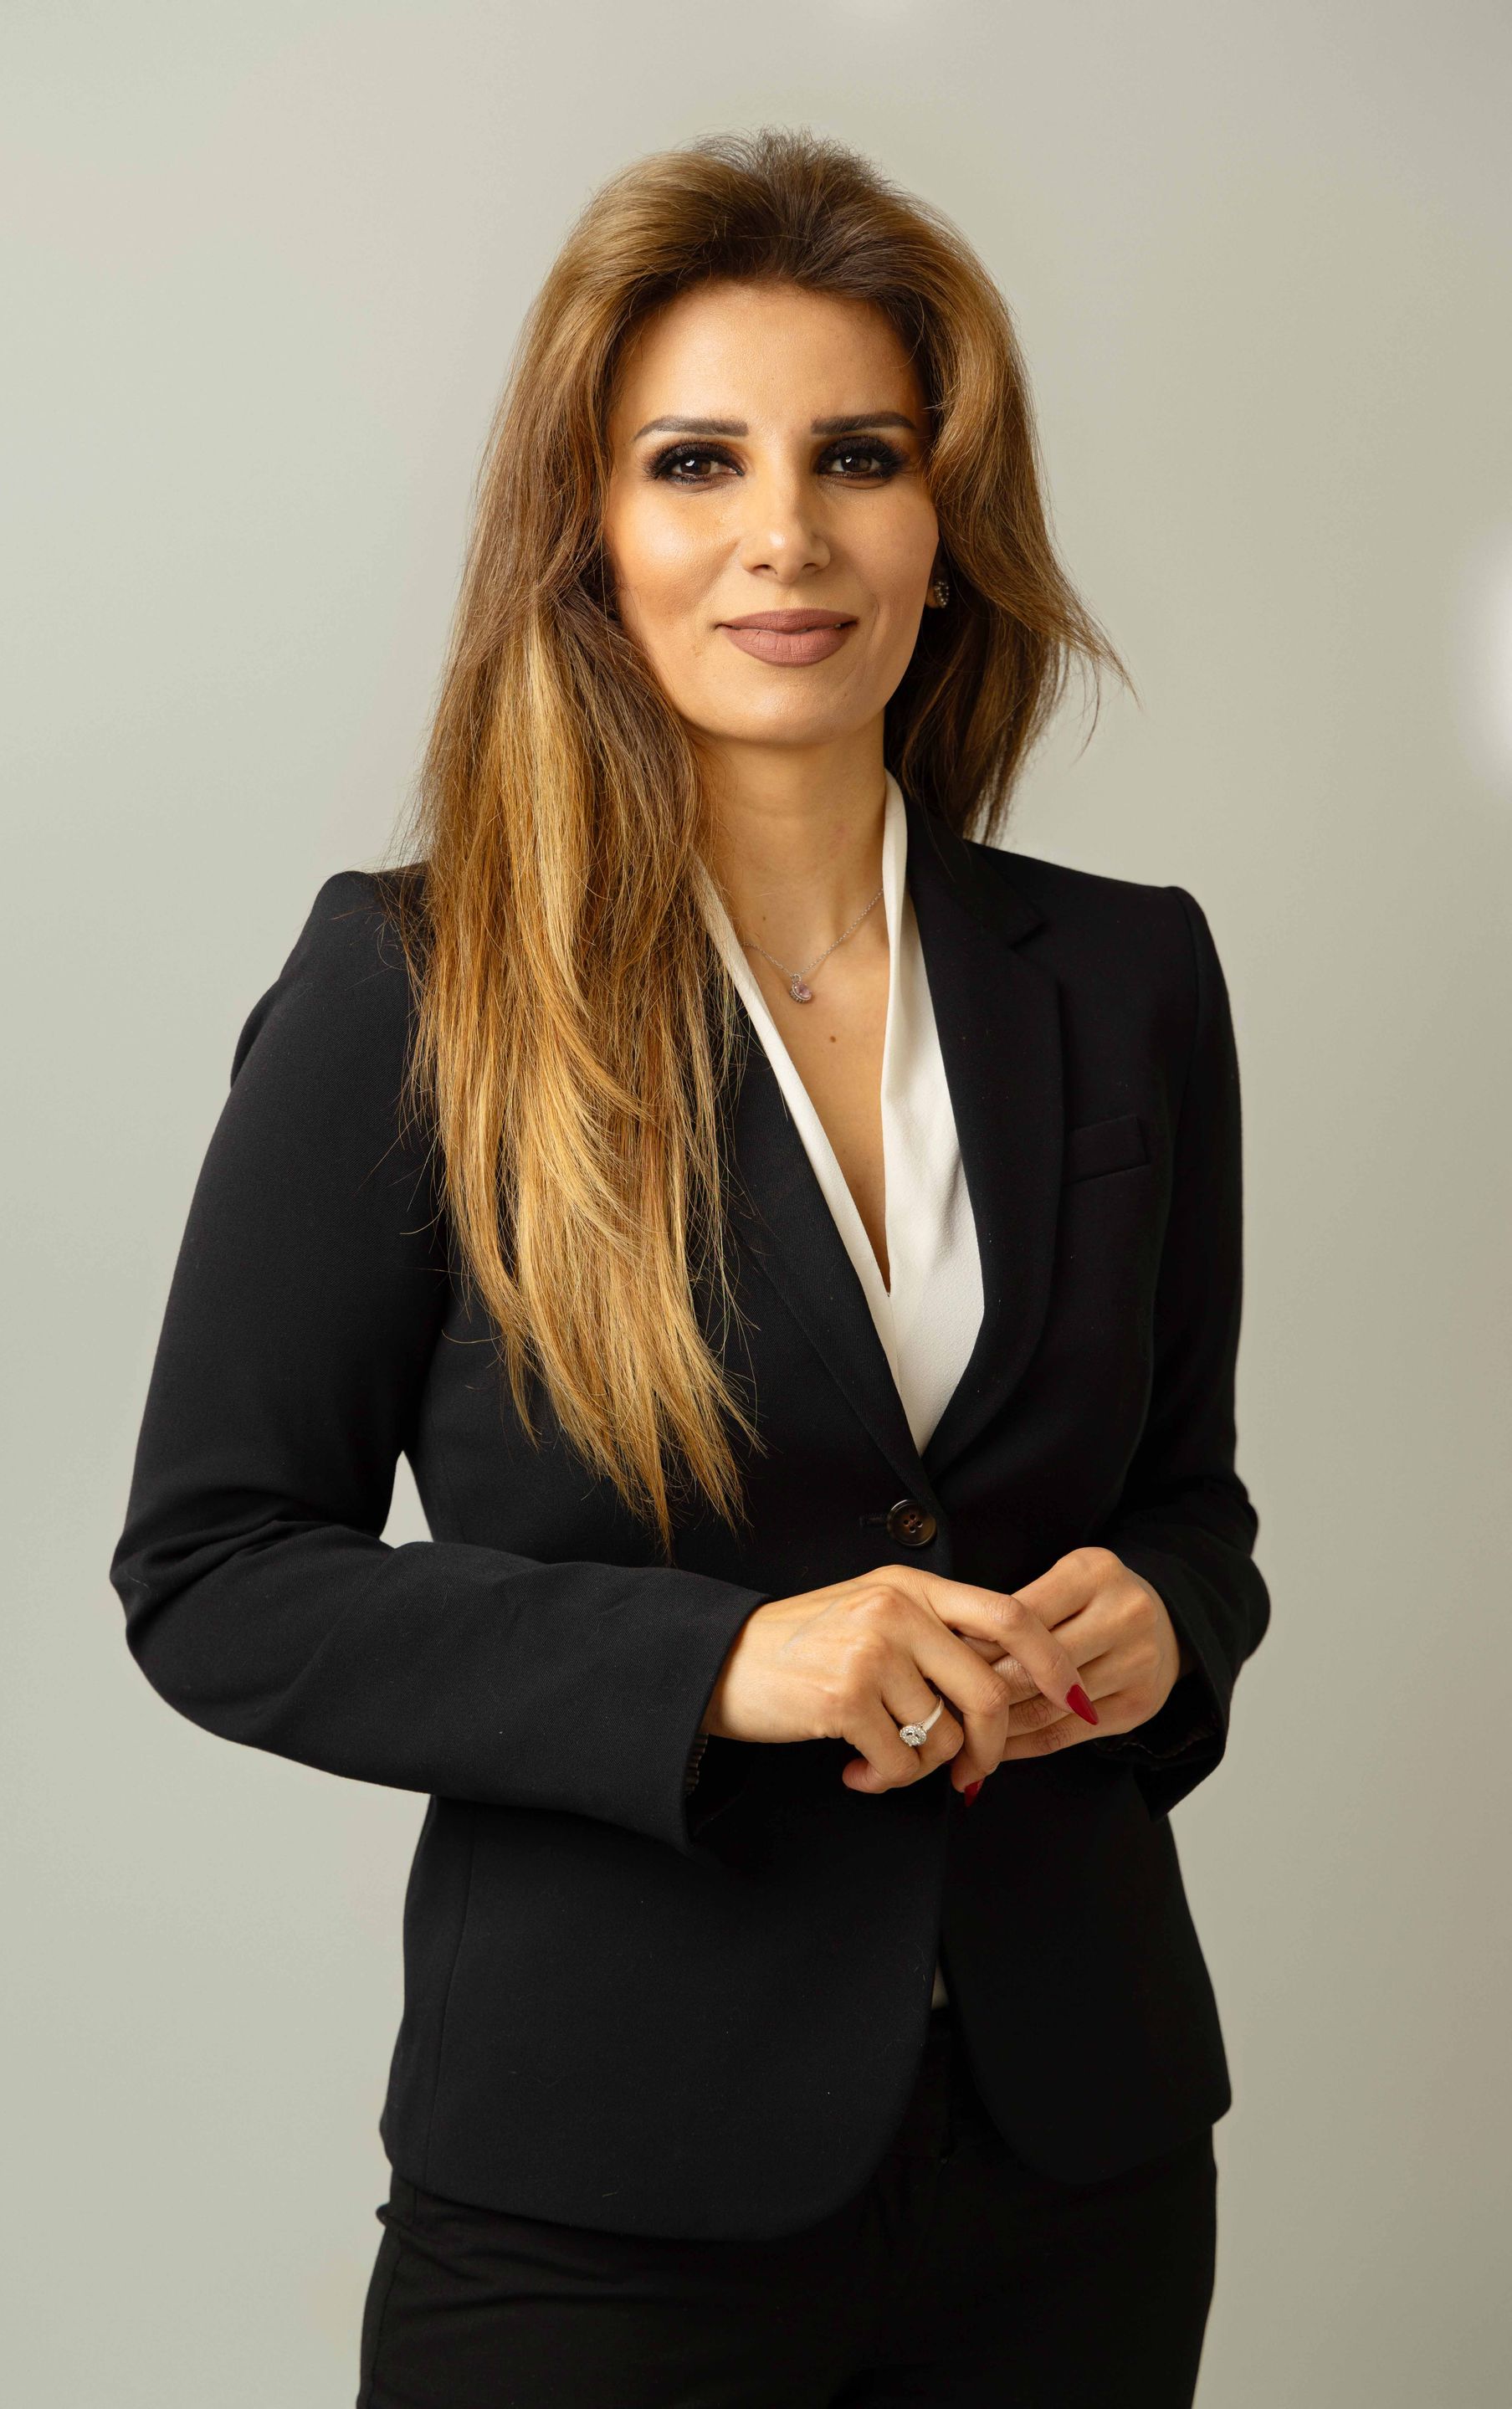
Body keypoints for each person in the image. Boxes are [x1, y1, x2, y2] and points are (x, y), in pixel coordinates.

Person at [110, 126, 1269, 2408]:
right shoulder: (419, 988)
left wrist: (1164, 1622)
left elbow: (1193, 1506)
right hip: (607, 2186)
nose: (786, 535)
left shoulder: (1126, 979)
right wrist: (732, 1669)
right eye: (694, 462)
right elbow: (216, 1573)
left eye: (861, 456)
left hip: (1081, 2160)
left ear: (949, 527)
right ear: (593, 533)